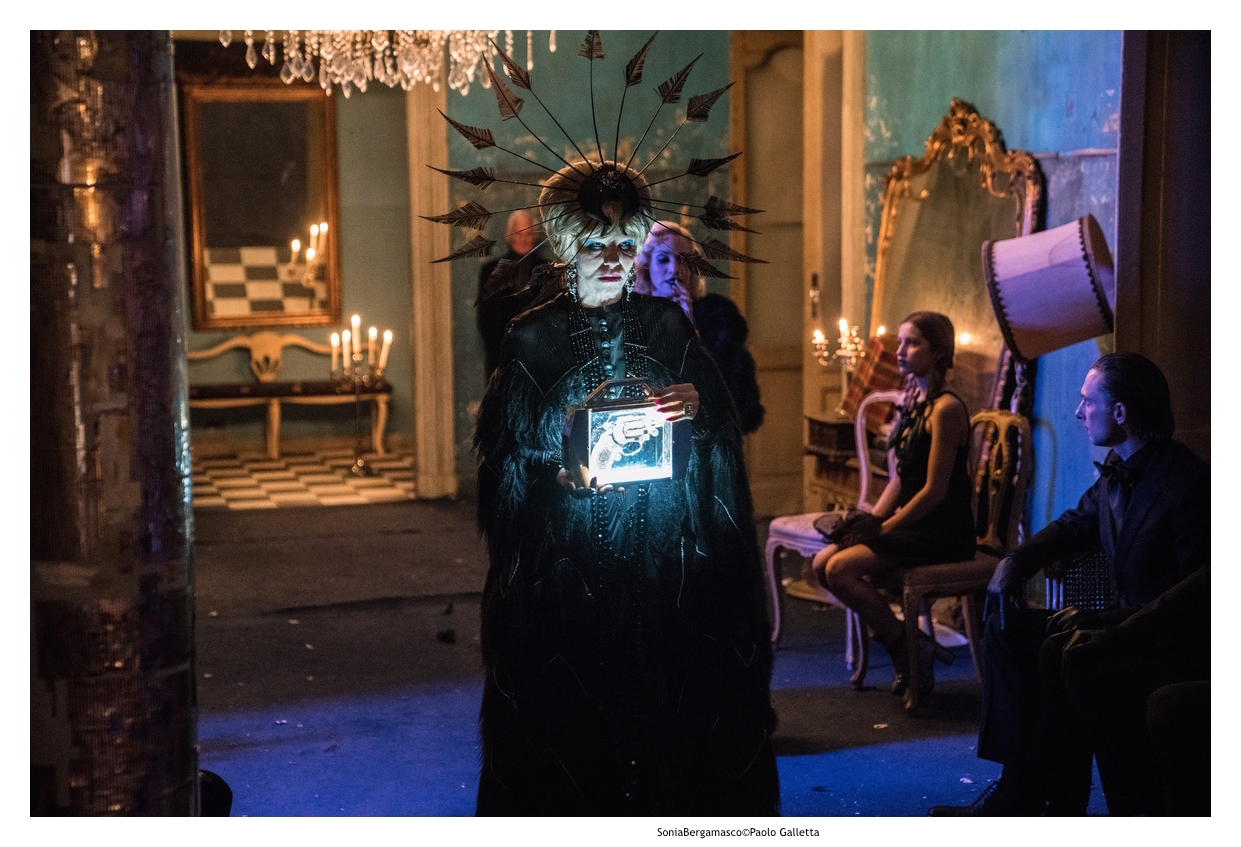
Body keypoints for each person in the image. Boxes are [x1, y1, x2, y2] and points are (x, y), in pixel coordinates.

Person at [472, 160, 780, 815]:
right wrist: (554, 466)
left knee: (665, 714)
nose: (611, 261)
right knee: (577, 725)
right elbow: (502, 470)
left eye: (621, 245)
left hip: (663, 564)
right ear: (565, 246)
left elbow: (718, 441)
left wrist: (698, 406)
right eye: (594, 245)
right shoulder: (531, 338)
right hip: (569, 571)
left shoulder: (667, 325)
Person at [929, 352, 1209, 816]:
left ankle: (1065, 806)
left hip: (1162, 638)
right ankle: (1018, 788)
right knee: (1007, 627)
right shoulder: (1117, 468)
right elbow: (1073, 525)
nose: (1079, 412)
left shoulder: (1186, 482)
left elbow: (1199, 595)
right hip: (1120, 626)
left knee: (1068, 651)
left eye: (1087, 402)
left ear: (1121, 412)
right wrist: (1015, 561)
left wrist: (1110, 625)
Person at [810, 311, 974, 707]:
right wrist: (870, 521)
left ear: (938, 352)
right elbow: (900, 479)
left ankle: (907, 650)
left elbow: (934, 492)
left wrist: (885, 529)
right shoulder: (914, 400)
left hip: (941, 530)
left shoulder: (946, 409)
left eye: (912, 343)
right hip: (914, 523)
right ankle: (910, 645)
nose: (900, 351)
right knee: (821, 564)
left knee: (839, 568)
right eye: (900, 342)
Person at [1061, 565, 1210, 815]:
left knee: (1165, 703)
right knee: (1067, 651)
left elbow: (1200, 586)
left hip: (1188, 640)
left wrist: (1114, 629)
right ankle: (1060, 806)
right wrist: (1015, 559)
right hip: (1153, 621)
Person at [635, 221, 765, 434]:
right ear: (647, 266)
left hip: (705, 433)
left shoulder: (719, 318)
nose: (675, 269)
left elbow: (735, 398)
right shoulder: (633, 316)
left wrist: (689, 324)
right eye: (663, 259)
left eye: (684, 260)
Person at [476, 210, 547, 380]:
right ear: (509, 235)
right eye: (518, 233)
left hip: (538, 357)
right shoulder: (491, 271)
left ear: (535, 236)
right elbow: (485, 319)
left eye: (528, 233)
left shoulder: (547, 269)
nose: (523, 239)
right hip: (500, 356)